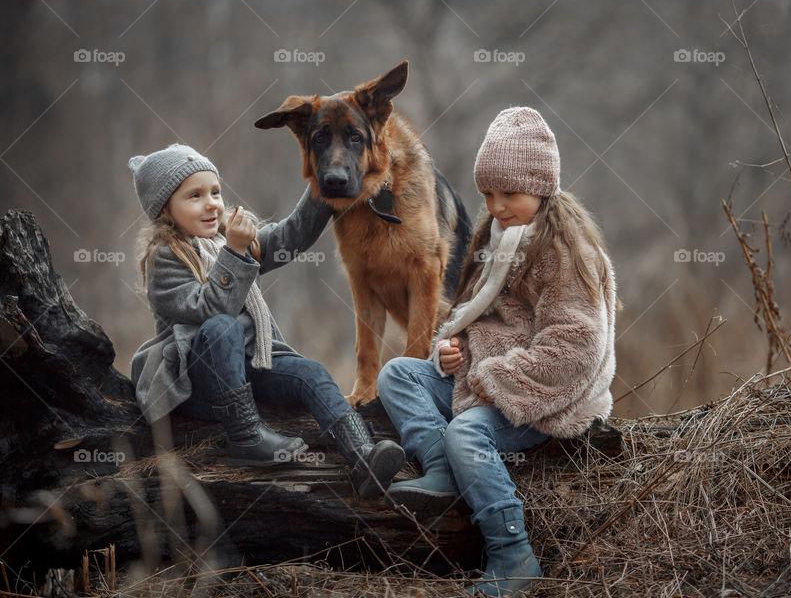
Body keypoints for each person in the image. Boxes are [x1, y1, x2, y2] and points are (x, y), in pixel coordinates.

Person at [377, 108, 618, 596]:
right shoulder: (496, 237)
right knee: (398, 375)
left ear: (541, 187)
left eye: (510, 193)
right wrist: (451, 349)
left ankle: (513, 553)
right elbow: (474, 314)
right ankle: (440, 466)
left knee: (467, 433)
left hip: (544, 395)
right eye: (489, 193)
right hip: (482, 376)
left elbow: (577, 346)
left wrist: (493, 378)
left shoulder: (565, 251)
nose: (497, 204)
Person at [128, 143, 404, 497]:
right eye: (194, 196)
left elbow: (292, 235)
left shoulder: (232, 239)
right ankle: (246, 438)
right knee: (221, 327)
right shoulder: (165, 259)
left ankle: (363, 457)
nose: (212, 202)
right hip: (199, 383)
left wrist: (324, 181)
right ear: (165, 210)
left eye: (215, 191)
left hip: (250, 370)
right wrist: (235, 252)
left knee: (312, 373)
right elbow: (213, 309)